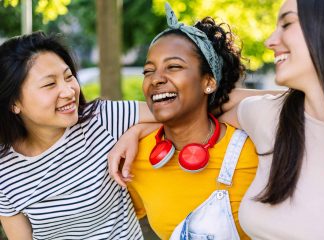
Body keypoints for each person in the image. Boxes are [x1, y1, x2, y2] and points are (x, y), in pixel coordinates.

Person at [108, 3, 260, 239]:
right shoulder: (135, 158)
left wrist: (220, 102)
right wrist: (137, 131)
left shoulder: (256, 147)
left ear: (208, 81)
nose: (156, 79)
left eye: (174, 67)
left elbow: (303, 100)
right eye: (148, 71)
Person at [219, 0, 324, 239]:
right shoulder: (271, 116)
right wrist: (138, 130)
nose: (270, 41)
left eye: (287, 23)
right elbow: (199, 103)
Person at [0, 32, 155, 239]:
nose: (69, 91)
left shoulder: (102, 119)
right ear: (14, 103)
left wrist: (135, 132)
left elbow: (184, 115)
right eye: (49, 84)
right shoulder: (4, 171)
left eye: (68, 77)